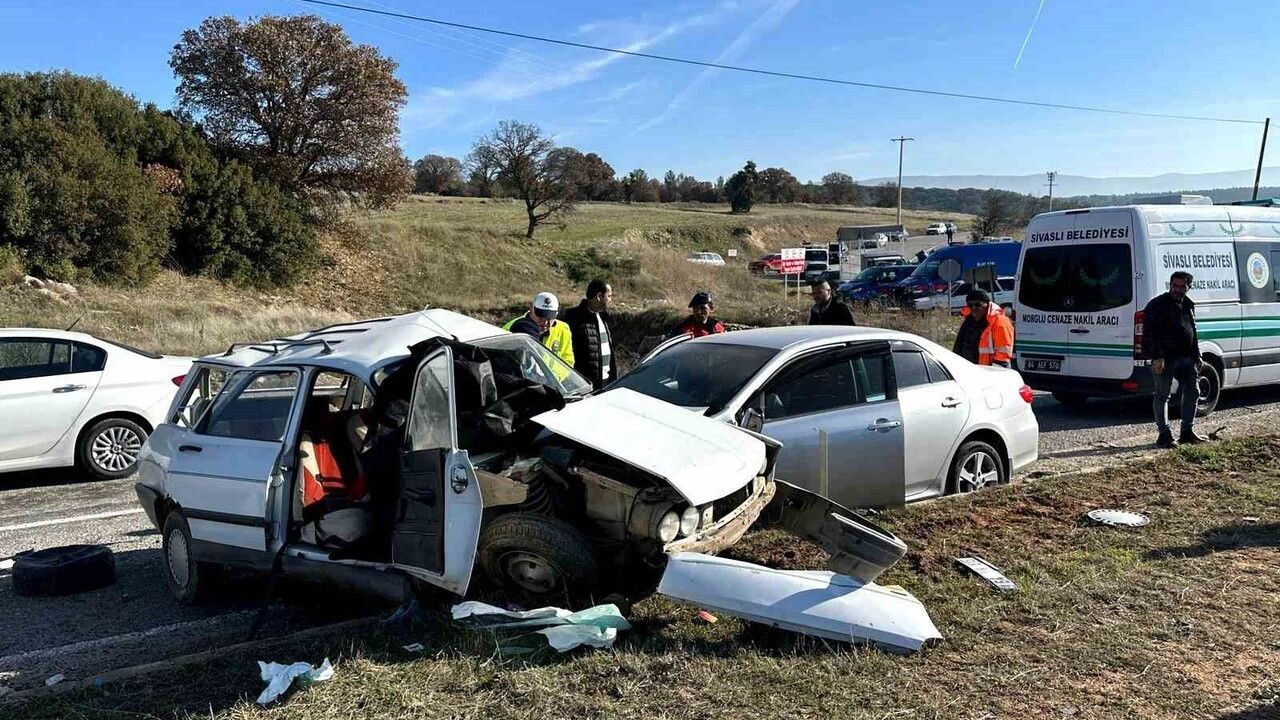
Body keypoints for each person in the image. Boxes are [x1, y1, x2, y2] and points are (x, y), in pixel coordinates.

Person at [1143, 271, 1208, 448]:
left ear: (1188, 288)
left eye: (1182, 287)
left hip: (1186, 357)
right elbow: (1149, 333)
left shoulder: (1188, 305)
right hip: (1165, 358)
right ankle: (1164, 434)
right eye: (1175, 286)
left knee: (1193, 391)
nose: (1177, 290)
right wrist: (1157, 356)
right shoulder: (1157, 305)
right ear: (1170, 285)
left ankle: (1187, 431)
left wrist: (1197, 354)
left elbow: (1192, 330)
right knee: (1163, 394)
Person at [561, 279, 617, 390]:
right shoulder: (574, 318)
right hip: (585, 386)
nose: (611, 300)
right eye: (609, 296)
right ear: (599, 296)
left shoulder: (604, 317)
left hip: (606, 383)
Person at [503, 291, 575, 367]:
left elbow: (568, 361)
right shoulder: (511, 328)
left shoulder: (563, 329)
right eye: (541, 316)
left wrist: (550, 374)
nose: (545, 322)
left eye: (549, 317)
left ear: (556, 314)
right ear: (531, 310)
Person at [952, 288, 1014, 367]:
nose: (973, 308)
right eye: (970, 305)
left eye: (978, 305)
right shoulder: (968, 321)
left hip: (991, 370)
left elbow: (1003, 354)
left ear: (986, 304)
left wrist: (994, 372)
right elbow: (958, 347)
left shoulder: (999, 321)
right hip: (970, 368)